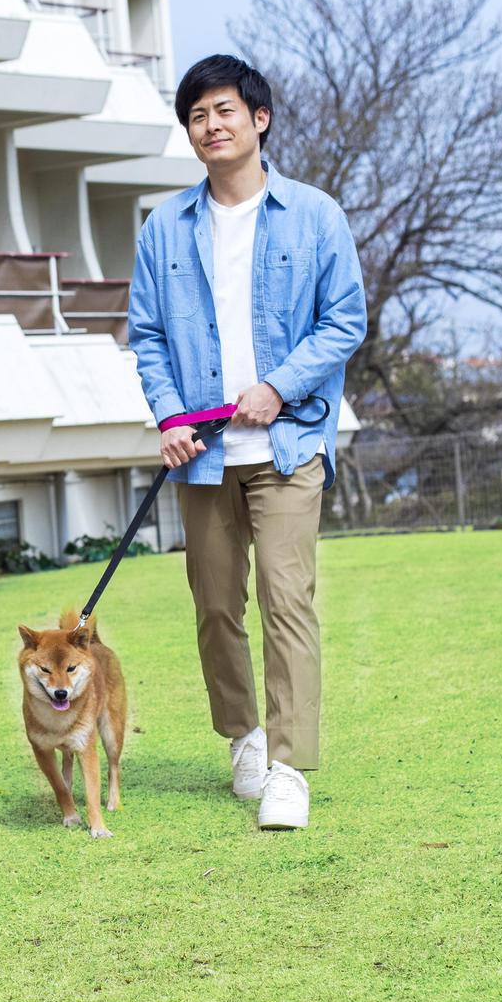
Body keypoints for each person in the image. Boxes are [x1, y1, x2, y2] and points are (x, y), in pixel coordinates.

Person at [127, 55, 367, 830]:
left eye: (225, 110)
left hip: (289, 446)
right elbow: (149, 336)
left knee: (287, 602)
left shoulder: (316, 215)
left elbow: (344, 320)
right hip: (202, 457)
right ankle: (246, 736)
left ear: (258, 120)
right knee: (214, 607)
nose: (212, 126)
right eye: (197, 116)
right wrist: (169, 418)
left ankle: (290, 768)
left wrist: (280, 386)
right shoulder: (164, 228)